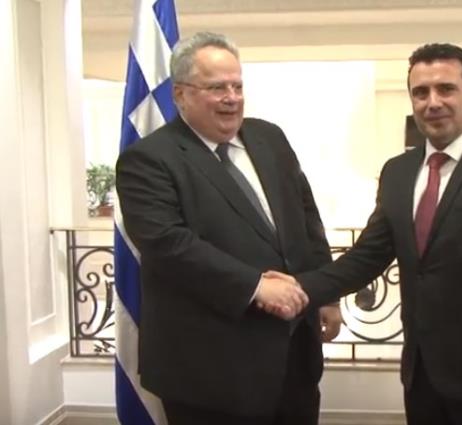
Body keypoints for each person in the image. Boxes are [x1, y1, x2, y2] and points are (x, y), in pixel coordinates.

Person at [263, 43, 462, 424]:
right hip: (421, 378)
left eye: (446, 89)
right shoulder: (398, 172)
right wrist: (298, 287)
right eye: (420, 92)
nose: (432, 102)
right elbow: (366, 258)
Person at [116, 31, 341, 425]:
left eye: (237, 86)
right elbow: (167, 245)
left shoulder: (269, 138)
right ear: (180, 94)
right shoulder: (148, 160)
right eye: (217, 87)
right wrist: (255, 286)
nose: (232, 97)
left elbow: (306, 218)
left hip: (294, 358)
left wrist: (326, 293)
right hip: (210, 371)